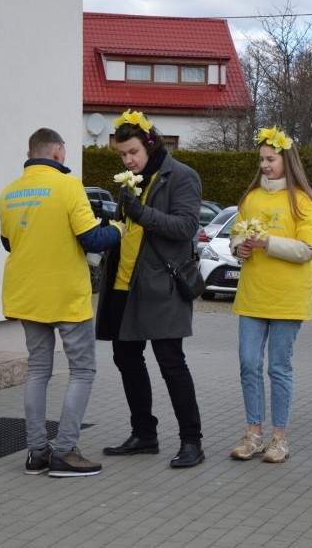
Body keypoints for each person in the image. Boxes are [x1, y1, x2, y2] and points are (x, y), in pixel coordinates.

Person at [0, 128, 123, 477]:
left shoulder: (9, 193)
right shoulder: (69, 186)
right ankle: (65, 452)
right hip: (65, 295)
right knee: (82, 370)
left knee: (38, 370)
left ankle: (37, 451)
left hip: (26, 293)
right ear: (56, 153)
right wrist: (118, 230)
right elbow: (92, 238)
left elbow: (9, 243)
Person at [96, 109, 205, 468]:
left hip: (163, 285)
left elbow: (186, 227)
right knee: (126, 359)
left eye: (133, 153)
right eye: (122, 155)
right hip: (123, 284)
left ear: (150, 144)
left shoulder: (181, 176)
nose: (127, 160)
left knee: (171, 362)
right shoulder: (130, 180)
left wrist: (141, 214)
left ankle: (192, 441)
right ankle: (144, 433)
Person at [227, 125, 312, 464]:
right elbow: (235, 237)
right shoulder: (251, 197)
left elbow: (309, 248)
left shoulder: (303, 201)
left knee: (279, 368)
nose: (265, 166)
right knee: (248, 364)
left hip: (287, 298)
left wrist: (268, 243)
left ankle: (279, 438)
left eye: (271, 159)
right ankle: (253, 433)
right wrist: (241, 248)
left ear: (287, 160)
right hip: (253, 295)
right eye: (262, 160)